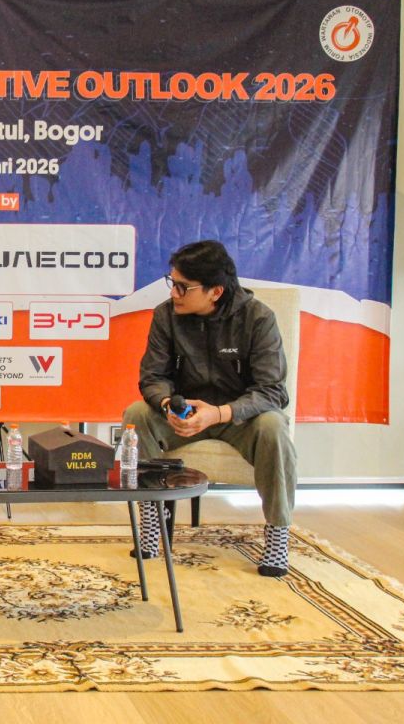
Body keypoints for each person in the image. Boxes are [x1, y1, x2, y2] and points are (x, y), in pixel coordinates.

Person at [123, 240, 297, 576]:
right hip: (185, 416)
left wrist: (219, 413)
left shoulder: (258, 318)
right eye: (172, 283)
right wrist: (167, 405)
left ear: (215, 291)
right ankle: (151, 521)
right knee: (136, 414)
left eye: (183, 287)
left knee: (274, 426)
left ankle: (277, 534)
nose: (174, 293)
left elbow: (272, 391)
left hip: (240, 417)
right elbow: (153, 377)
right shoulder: (166, 315)